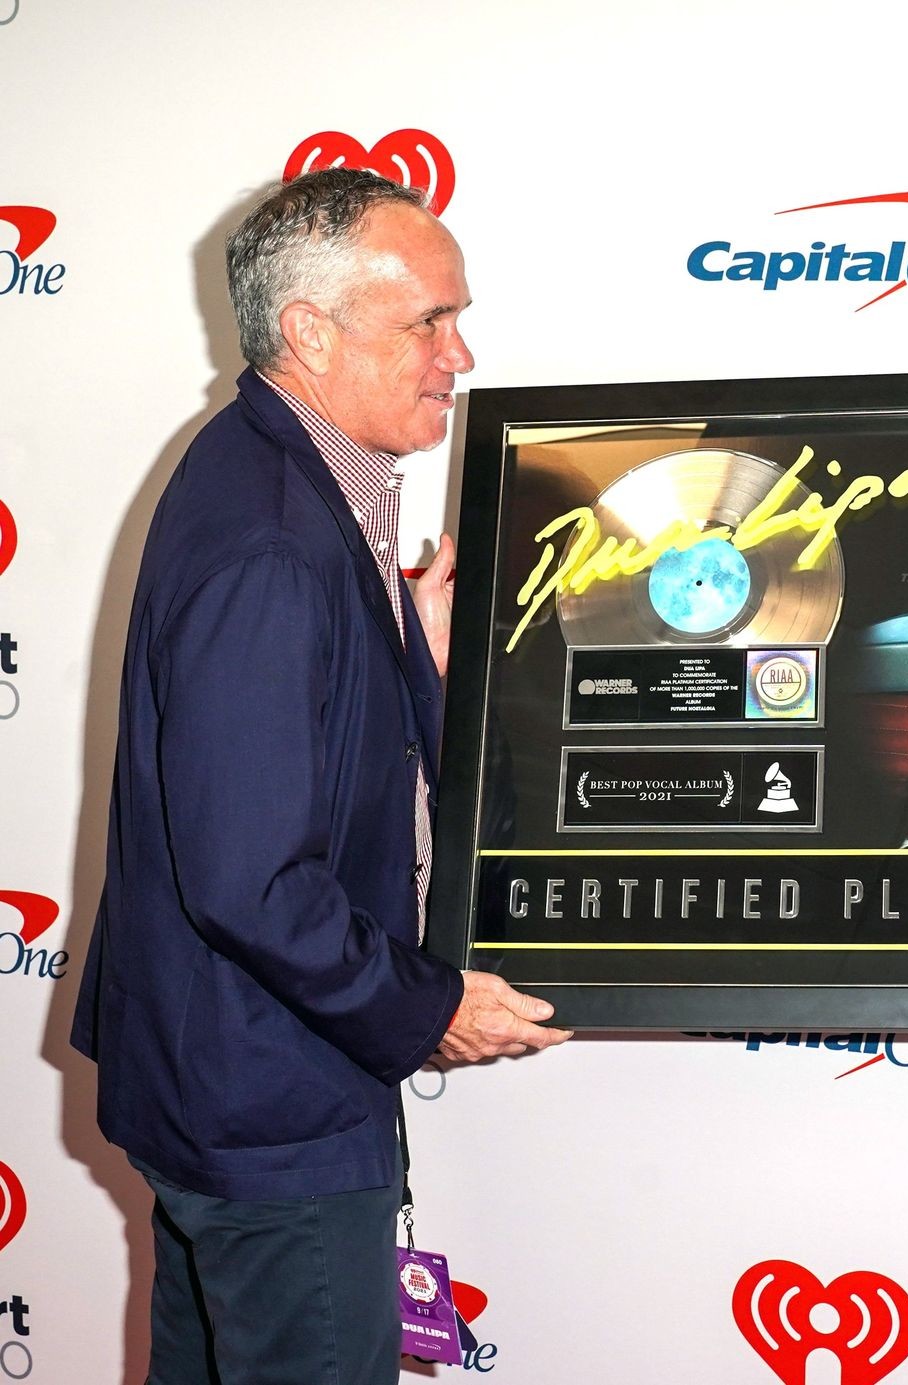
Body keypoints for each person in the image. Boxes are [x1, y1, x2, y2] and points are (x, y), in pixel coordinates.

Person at [70, 168, 571, 1385]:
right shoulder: (273, 538)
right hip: (272, 1108)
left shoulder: (278, 470)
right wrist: (425, 1006)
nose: (460, 354)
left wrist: (415, 656)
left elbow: (308, 749)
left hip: (237, 1084)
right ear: (311, 330)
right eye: (428, 321)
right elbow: (251, 879)